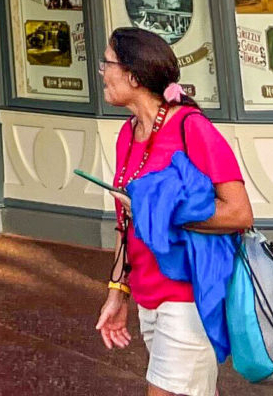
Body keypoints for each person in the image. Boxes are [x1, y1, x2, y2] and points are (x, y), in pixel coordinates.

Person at [97, 27, 255, 396]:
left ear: (134, 76)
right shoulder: (127, 133)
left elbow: (240, 213)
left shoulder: (191, 127)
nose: (102, 73)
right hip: (147, 294)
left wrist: (163, 211)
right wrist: (117, 294)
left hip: (189, 294)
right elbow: (127, 224)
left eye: (107, 64)